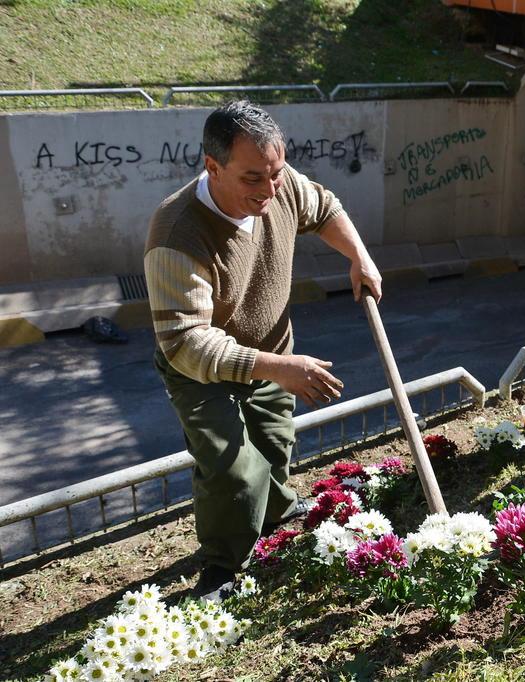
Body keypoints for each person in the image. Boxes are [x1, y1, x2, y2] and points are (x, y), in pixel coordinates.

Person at [144, 101, 382, 601]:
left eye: (275, 173)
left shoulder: (280, 184)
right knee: (234, 469)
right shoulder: (177, 233)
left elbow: (324, 207)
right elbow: (186, 341)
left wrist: (358, 255)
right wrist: (278, 368)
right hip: (202, 372)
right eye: (253, 178)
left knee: (274, 448)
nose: (270, 190)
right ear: (213, 167)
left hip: (272, 353)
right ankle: (221, 568)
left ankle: (275, 515)